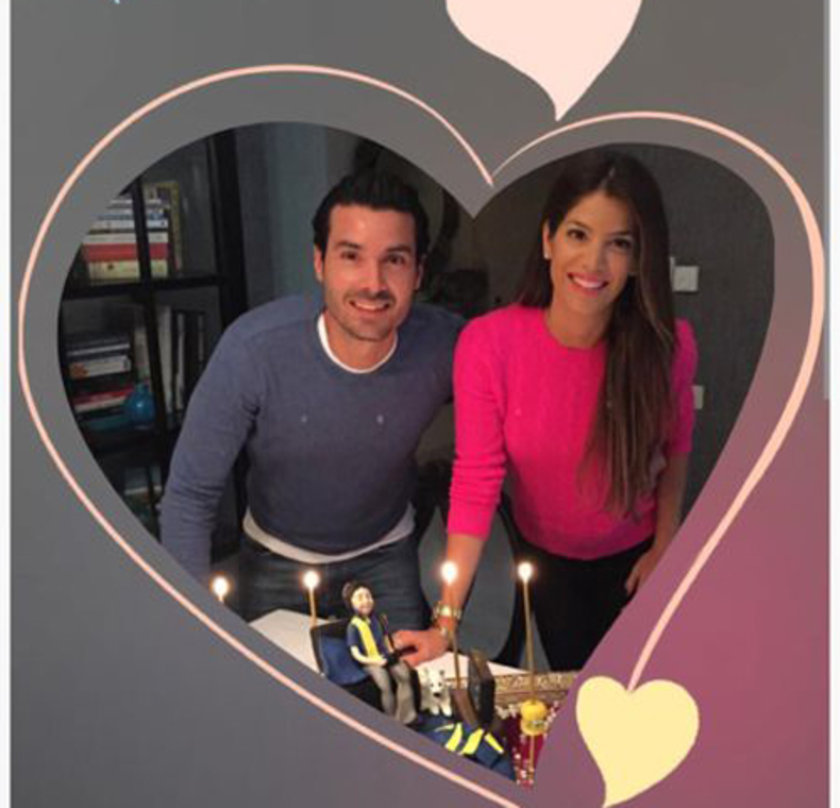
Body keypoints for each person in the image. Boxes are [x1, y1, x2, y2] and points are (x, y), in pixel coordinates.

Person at [396, 149, 697, 670]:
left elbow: (677, 448)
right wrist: (445, 623)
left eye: (619, 244)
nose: (594, 262)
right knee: (574, 685)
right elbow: (475, 481)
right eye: (578, 234)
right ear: (548, 240)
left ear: (638, 260)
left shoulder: (668, 345)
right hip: (549, 562)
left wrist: (666, 547)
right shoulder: (489, 345)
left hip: (638, 561)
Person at [160, 170, 462, 630]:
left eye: (395, 260)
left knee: (400, 677)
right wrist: (190, 620)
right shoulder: (253, 350)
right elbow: (189, 494)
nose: (373, 282)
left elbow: (528, 362)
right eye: (351, 256)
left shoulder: (446, 345)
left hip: (387, 556)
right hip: (275, 559)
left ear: (418, 272)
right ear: (319, 262)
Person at [343, 581, 417, 725]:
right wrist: (374, 661)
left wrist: (391, 652)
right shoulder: (353, 627)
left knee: (404, 675)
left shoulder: (378, 620)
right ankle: (390, 719)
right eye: (360, 597)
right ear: (351, 603)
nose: (365, 601)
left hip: (384, 656)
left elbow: (385, 639)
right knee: (384, 684)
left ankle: (405, 715)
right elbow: (355, 653)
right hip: (370, 661)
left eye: (368, 596)